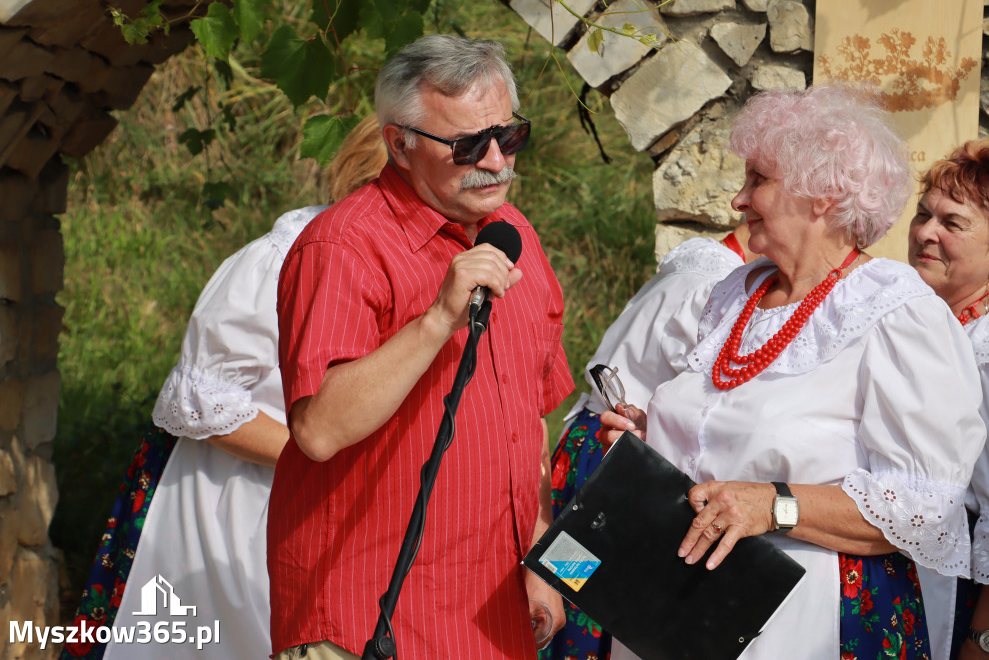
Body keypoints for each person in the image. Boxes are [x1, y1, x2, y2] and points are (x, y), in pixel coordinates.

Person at [600, 85, 987, 660]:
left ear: (823, 196)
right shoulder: (735, 293)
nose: (738, 199)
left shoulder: (894, 311)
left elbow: (926, 506)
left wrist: (776, 504)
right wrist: (648, 437)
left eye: (758, 179)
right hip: (673, 607)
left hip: (796, 623)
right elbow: (718, 438)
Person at [268, 34, 573, 660]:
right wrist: (437, 320)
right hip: (368, 621)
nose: (496, 160)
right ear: (399, 145)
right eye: (466, 145)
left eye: (508, 136)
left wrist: (550, 564)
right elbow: (319, 429)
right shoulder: (344, 248)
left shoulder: (516, 234)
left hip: (492, 624)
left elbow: (530, 430)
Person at [60, 115, 387, 660]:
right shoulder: (284, 260)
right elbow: (204, 403)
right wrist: (327, 462)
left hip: (339, 518)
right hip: (233, 508)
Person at [543, 224, 756, 660]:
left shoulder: (692, 260)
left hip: (586, 443)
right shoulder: (719, 289)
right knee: (590, 596)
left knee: (568, 581)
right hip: (620, 458)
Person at [906, 139, 989, 660]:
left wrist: (985, 645)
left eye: (953, 224)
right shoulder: (928, 328)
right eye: (923, 215)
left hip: (974, 612)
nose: (926, 233)